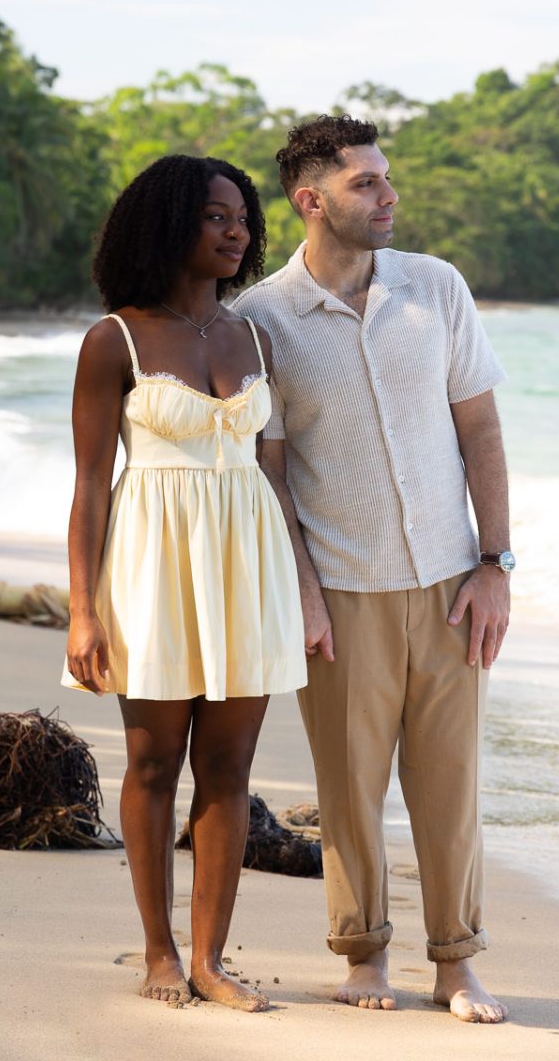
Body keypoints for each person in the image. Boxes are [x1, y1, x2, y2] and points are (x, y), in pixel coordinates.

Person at [233, 115, 512, 1025]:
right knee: (349, 791)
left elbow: (480, 430)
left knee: (449, 788)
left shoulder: (437, 289)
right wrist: (304, 596)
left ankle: (458, 964)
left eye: (387, 180)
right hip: (340, 594)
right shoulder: (260, 321)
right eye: (366, 184)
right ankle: (362, 956)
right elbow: (270, 477)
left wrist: (495, 564)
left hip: (446, 586)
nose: (389, 196)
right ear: (312, 201)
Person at [62, 154, 306, 1011]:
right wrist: (83, 611)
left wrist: (301, 594)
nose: (237, 230)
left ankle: (210, 959)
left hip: (248, 564)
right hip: (153, 563)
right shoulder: (115, 339)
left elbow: (271, 476)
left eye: (242, 216)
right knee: (154, 758)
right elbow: (91, 486)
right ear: (168, 225)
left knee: (230, 767)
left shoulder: (253, 336)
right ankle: (159, 951)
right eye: (215, 216)